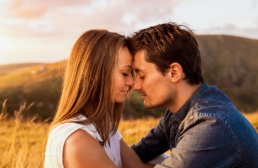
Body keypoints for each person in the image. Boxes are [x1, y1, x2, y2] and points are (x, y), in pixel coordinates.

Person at [128, 22, 258, 168]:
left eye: (142, 76)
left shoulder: (210, 125)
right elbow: (137, 153)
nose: (135, 86)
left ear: (174, 73)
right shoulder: (177, 113)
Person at [44, 29, 151, 168]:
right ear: (97, 73)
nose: (131, 82)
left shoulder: (105, 126)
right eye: (125, 73)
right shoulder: (77, 141)